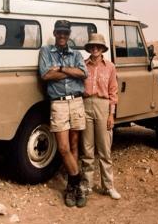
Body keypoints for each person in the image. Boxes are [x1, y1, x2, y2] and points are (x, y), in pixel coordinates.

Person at [39, 20, 88, 208]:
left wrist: (59, 69)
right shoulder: (45, 51)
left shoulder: (76, 53)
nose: (62, 36)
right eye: (59, 32)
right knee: (63, 148)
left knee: (75, 145)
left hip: (76, 101)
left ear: (69, 35)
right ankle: (79, 182)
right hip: (58, 104)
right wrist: (71, 72)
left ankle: (70, 188)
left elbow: (83, 73)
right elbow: (45, 75)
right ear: (54, 32)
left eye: (65, 33)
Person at [81, 33, 121, 199]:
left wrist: (111, 115)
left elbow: (113, 92)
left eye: (98, 46)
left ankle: (108, 186)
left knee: (104, 149)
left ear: (103, 48)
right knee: (87, 149)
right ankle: (87, 185)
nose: (95, 48)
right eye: (92, 45)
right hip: (86, 105)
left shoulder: (110, 67)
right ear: (89, 48)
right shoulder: (83, 65)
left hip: (103, 106)